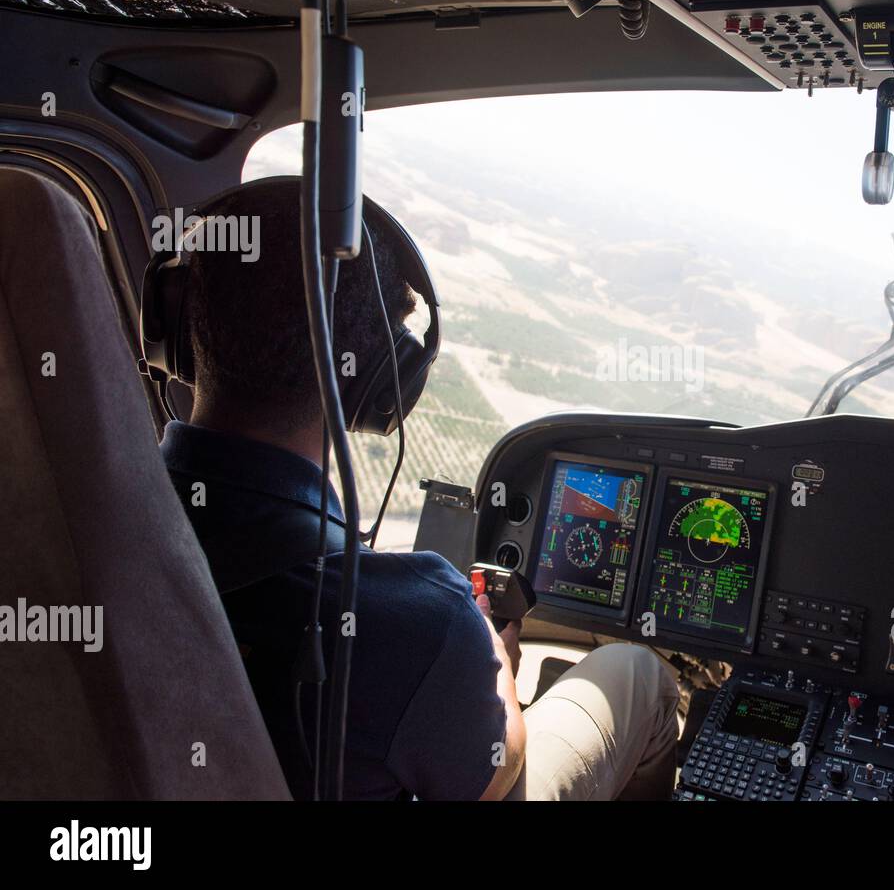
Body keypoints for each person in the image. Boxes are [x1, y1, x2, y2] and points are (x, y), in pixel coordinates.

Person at [159, 179, 680, 800]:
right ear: (383, 380)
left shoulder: (77, 520)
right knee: (637, 673)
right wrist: (491, 660)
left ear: (172, 326)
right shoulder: (419, 620)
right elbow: (498, 771)